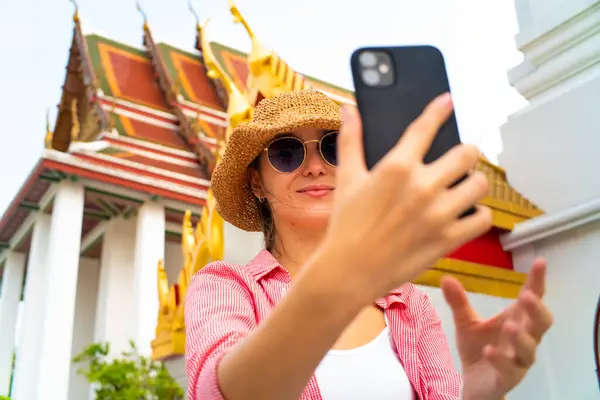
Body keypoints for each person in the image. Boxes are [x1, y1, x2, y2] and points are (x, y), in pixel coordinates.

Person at [185, 89, 553, 400]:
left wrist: (477, 393)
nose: (315, 167)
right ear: (256, 183)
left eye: (333, 150)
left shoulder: (407, 303)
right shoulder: (226, 286)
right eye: (287, 153)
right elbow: (217, 390)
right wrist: (342, 276)